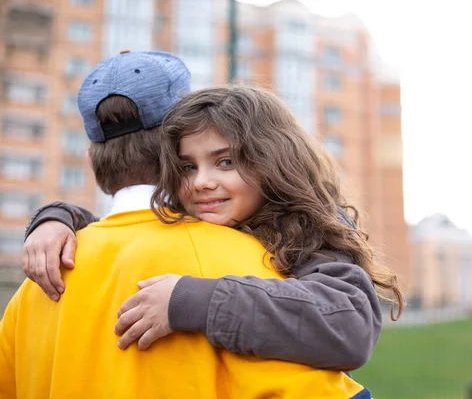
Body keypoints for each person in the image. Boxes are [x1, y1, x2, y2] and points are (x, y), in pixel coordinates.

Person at [0, 51, 372, 398]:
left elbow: (350, 325)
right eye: (189, 166)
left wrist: (191, 301)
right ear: (170, 161)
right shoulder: (250, 261)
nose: (202, 182)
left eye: (225, 161)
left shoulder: (37, 286)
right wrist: (57, 216)